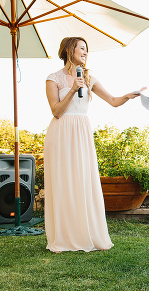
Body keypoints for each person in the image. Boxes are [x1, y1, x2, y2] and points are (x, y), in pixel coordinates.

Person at [43, 37, 143, 252]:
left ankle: (85, 233)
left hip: (81, 133)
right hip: (60, 133)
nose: (86, 52)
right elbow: (57, 111)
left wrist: (127, 96)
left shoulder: (89, 78)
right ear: (70, 50)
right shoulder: (53, 79)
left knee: (83, 181)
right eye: (82, 48)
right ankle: (63, 237)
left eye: (87, 50)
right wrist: (72, 90)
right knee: (63, 183)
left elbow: (113, 101)